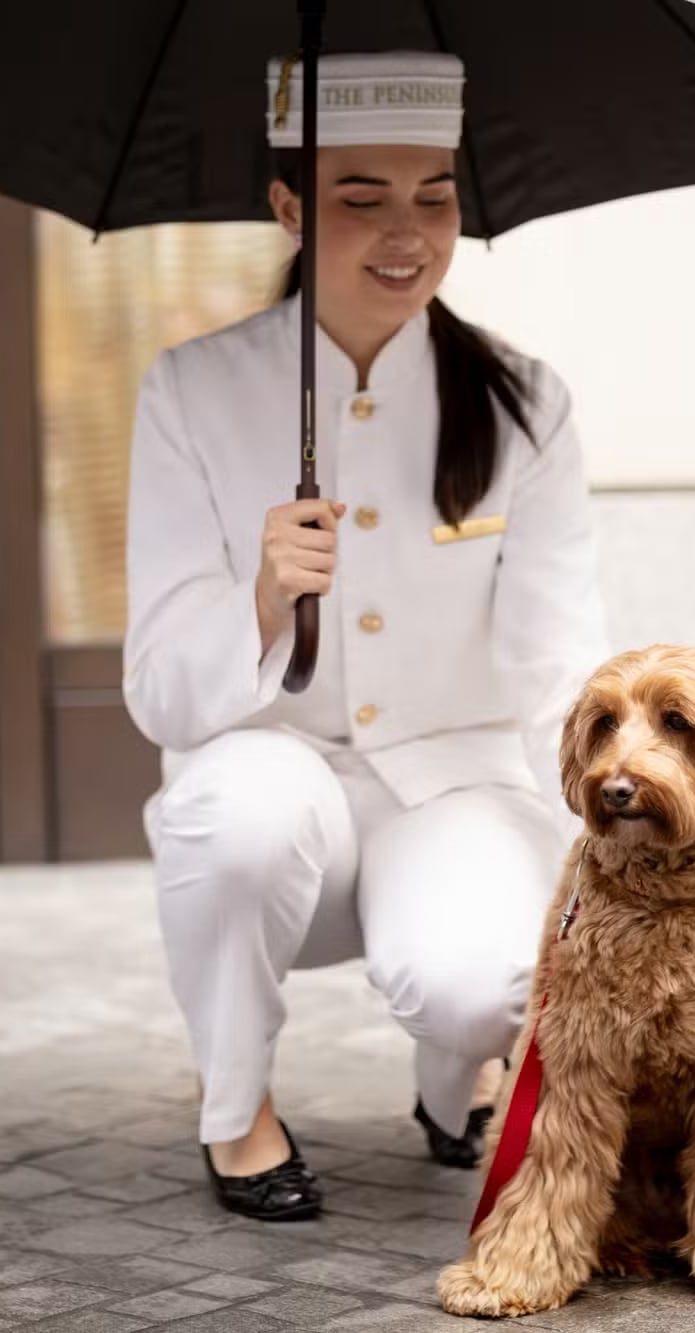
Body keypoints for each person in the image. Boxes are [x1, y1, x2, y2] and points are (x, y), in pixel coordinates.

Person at [123, 51, 609, 1223]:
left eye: (433, 195)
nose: (407, 233)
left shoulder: (524, 401)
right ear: (289, 204)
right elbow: (156, 687)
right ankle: (236, 1109)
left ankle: (460, 1078)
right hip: (272, 778)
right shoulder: (190, 390)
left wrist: (620, 801)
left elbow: (558, 649)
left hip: (453, 782)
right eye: (360, 197)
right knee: (237, 816)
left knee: (480, 975)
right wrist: (258, 597)